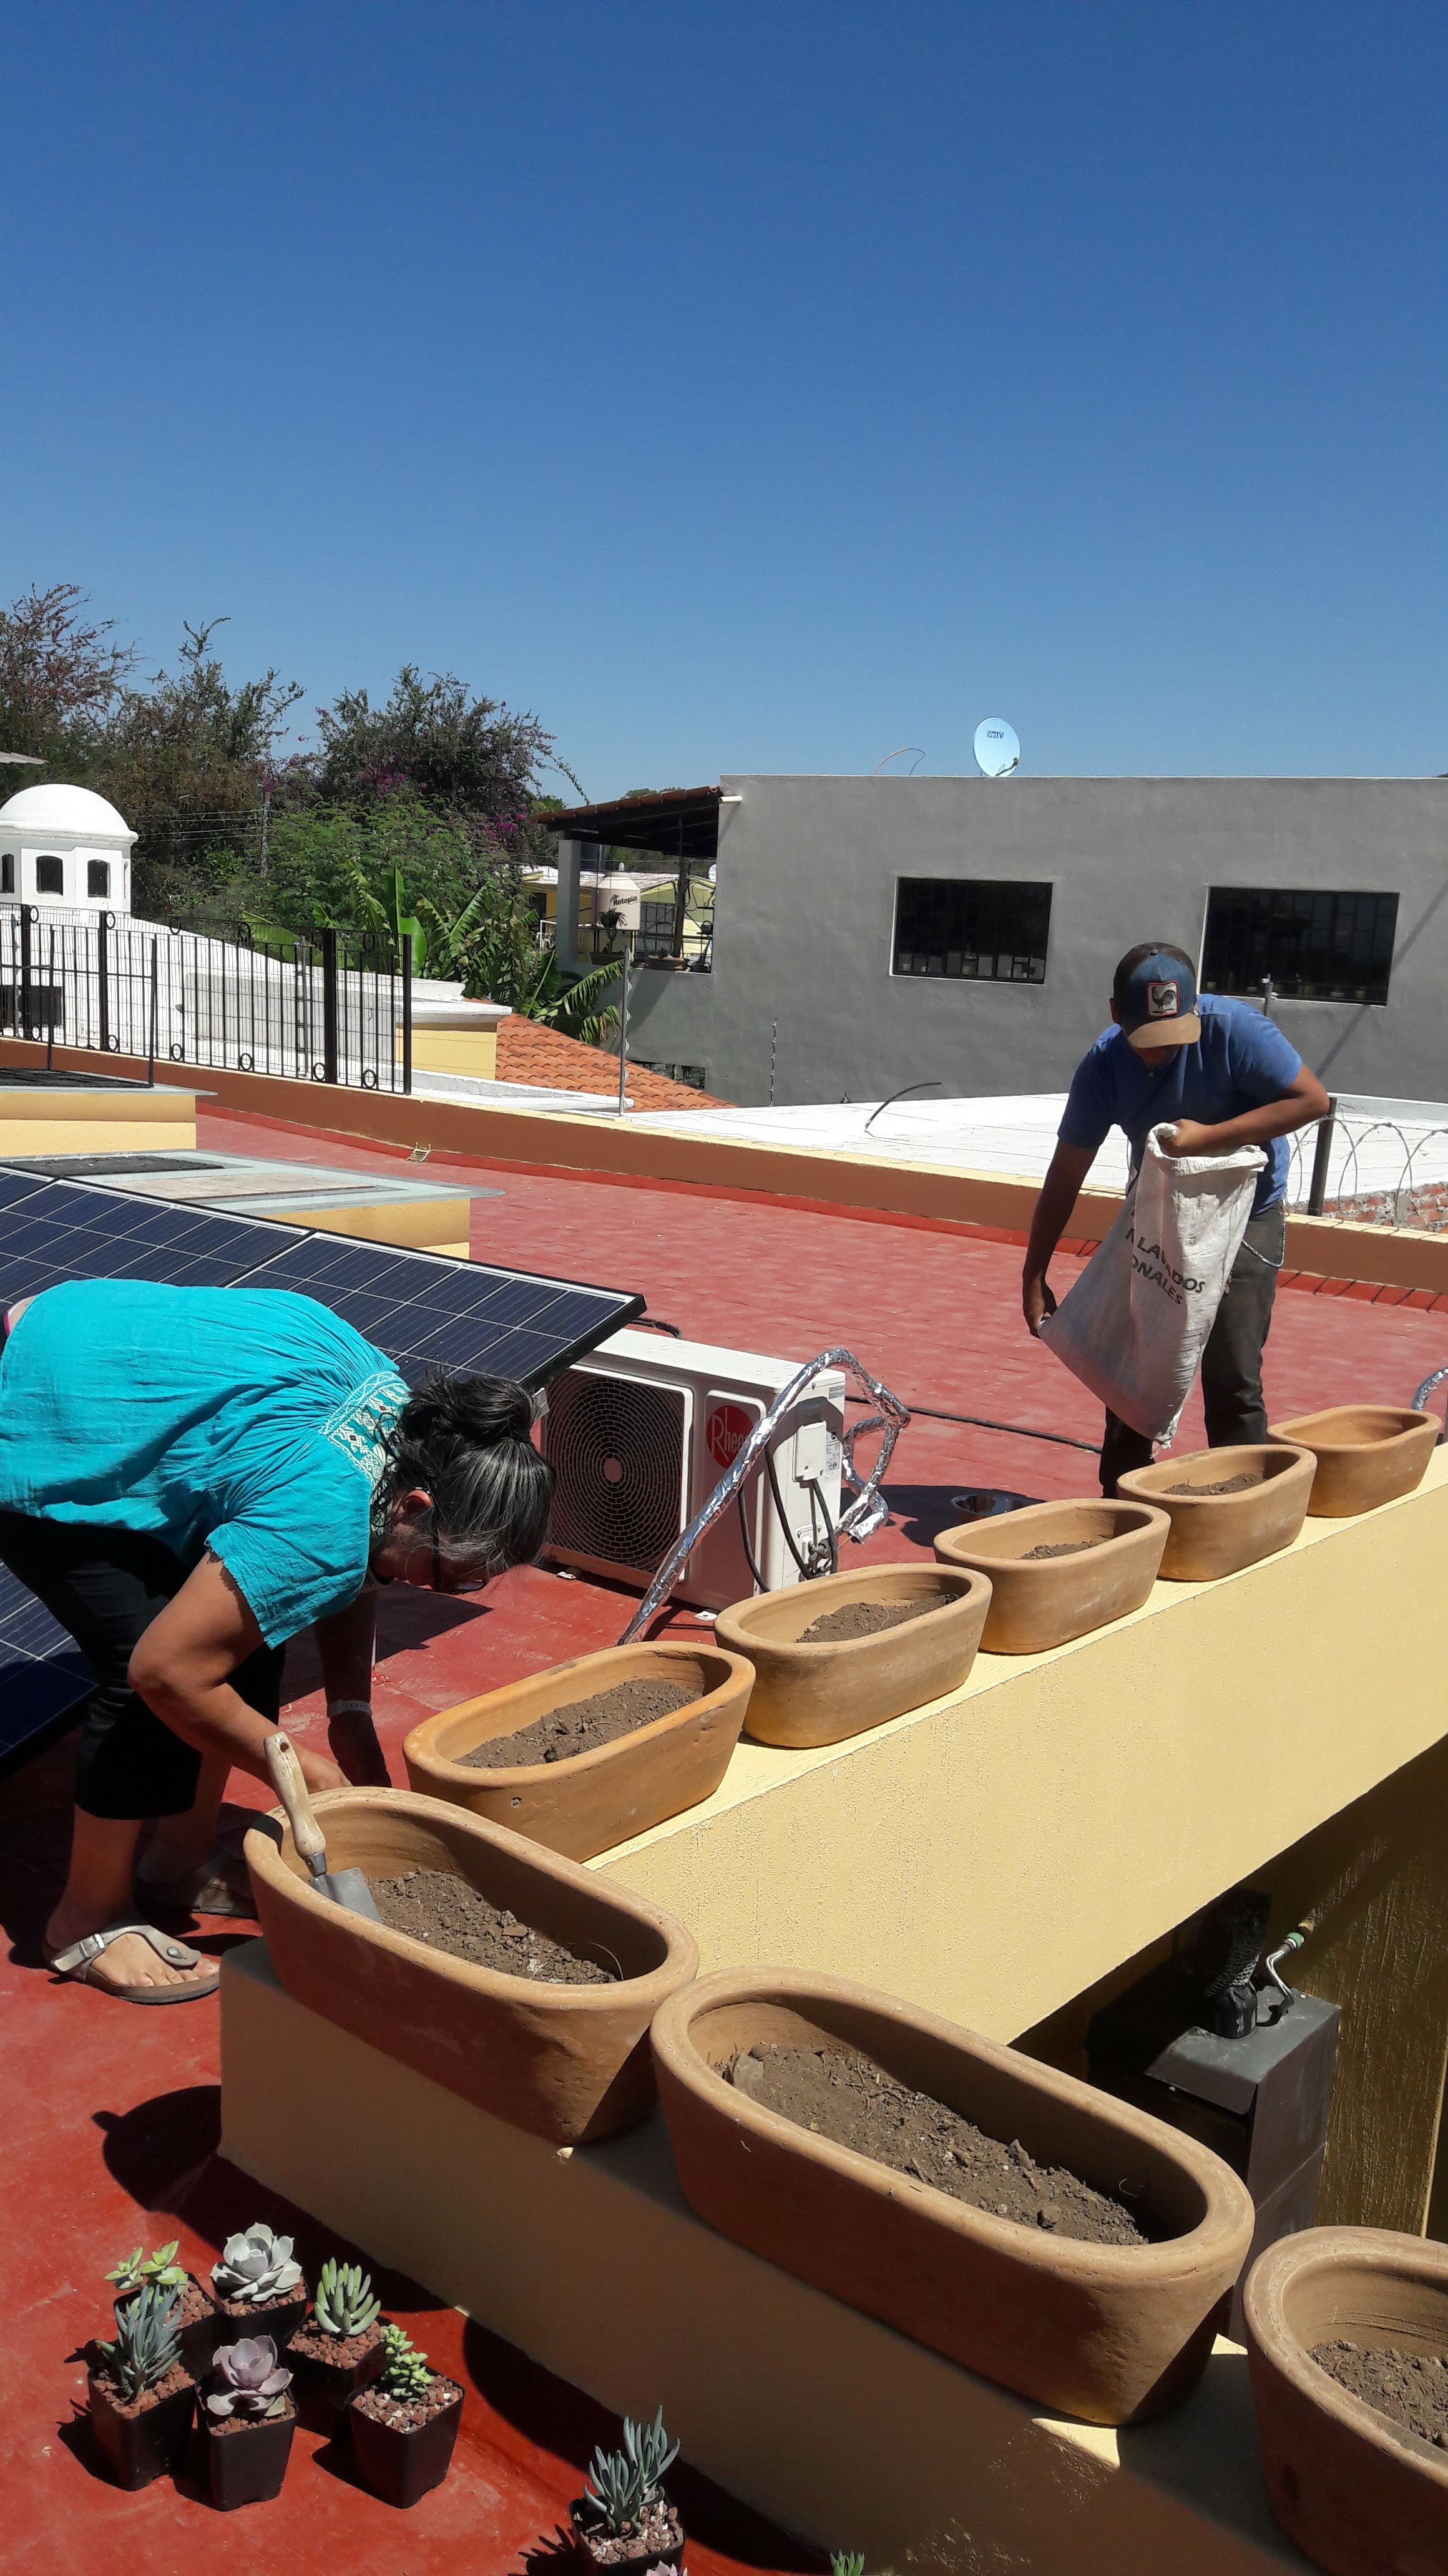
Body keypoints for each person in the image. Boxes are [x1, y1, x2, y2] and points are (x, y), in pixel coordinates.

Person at [0, 1278, 552, 2004]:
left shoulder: (406, 1433)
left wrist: (349, 1713)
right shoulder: (324, 1508)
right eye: (451, 1575)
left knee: (245, 1642)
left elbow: (352, 1565)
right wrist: (305, 1775)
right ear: (417, 1506)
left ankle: (176, 1865)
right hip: (41, 1411)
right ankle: (86, 1919)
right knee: (147, 1672)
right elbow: (167, 1670)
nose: (441, 1589)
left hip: (91, 1349)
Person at [1022, 944, 1329, 1495]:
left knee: (1233, 1374)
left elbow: (1311, 1100)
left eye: (1174, 1038)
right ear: (1116, 1014)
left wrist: (1208, 1139)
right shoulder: (1104, 1065)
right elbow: (1065, 1174)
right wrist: (1034, 1273)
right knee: (1135, 1374)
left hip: (1244, 1217)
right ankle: (1123, 1511)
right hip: (1159, 1216)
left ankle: (1242, 1509)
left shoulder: (1234, 1031)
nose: (1163, 1052)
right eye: (1149, 1041)